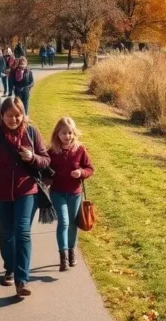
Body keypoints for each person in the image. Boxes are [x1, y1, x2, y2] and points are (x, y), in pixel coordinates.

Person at [0, 97, 52, 296]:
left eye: (18, 115)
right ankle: (9, 267)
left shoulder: (31, 132)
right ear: (2, 115)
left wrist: (33, 157)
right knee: (7, 233)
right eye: (9, 115)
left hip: (26, 191)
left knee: (23, 232)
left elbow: (46, 160)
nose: (14, 119)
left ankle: (22, 280)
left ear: (23, 115)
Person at [47, 116, 94, 272]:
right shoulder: (52, 152)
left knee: (73, 224)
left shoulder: (80, 150)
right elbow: (45, 169)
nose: (67, 136)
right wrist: (47, 179)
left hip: (74, 193)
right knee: (64, 222)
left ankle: (72, 250)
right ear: (57, 134)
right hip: (57, 192)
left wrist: (80, 172)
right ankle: (63, 257)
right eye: (64, 133)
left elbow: (90, 169)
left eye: (70, 133)